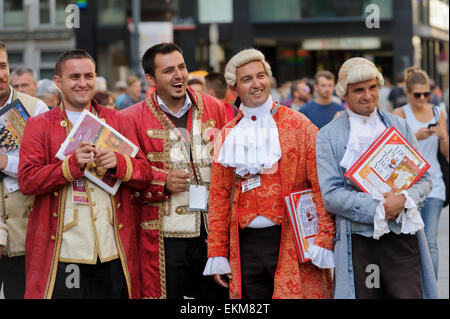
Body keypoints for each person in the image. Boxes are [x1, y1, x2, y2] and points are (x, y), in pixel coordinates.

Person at [17, 49, 156, 299]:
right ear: (58, 82)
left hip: (112, 250)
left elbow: (145, 175)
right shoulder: (39, 125)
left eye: (89, 76)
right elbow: (27, 181)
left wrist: (119, 163)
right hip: (65, 253)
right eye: (74, 77)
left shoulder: (118, 119)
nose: (83, 83)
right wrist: (70, 167)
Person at [204, 48, 335, 299]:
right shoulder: (227, 134)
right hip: (245, 246)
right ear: (234, 87)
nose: (256, 84)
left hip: (291, 243)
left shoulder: (300, 125)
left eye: (260, 76)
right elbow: (219, 197)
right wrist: (218, 251)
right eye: (247, 79)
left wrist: (324, 239)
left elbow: (321, 186)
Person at [316, 57, 438, 299]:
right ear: (345, 94)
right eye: (358, 90)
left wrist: (402, 199)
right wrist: (379, 207)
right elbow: (331, 195)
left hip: (403, 239)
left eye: (372, 88)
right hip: (360, 243)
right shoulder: (327, 136)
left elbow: (425, 179)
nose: (367, 95)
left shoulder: (400, 126)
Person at [121, 42, 228, 299]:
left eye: (181, 67)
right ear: (151, 78)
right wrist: (161, 181)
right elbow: (127, 171)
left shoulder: (215, 107)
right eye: (168, 70)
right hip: (164, 234)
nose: (178, 75)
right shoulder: (131, 118)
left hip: (210, 230)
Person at [0, 41, 49, 299]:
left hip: (25, 230)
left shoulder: (36, 110)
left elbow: (44, 169)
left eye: (3, 66)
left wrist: (5, 163)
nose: (0, 74)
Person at [392, 66, 449, 279]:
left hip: (434, 184)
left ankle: (430, 289)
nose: (423, 98)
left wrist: (443, 136)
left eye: (427, 93)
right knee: (411, 240)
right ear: (407, 93)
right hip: (407, 186)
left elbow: (446, 153)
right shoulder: (399, 114)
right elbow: (393, 153)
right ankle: (413, 284)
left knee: (430, 241)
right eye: (417, 94)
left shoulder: (437, 112)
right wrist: (414, 136)